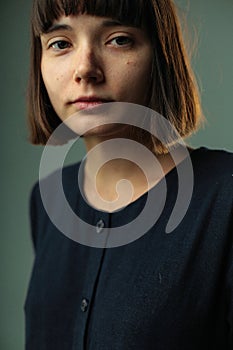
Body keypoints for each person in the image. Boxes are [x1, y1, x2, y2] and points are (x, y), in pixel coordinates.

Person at [25, 0, 233, 349]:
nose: (85, 69)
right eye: (60, 43)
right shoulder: (46, 202)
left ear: (161, 57)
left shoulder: (224, 198)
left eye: (118, 39)